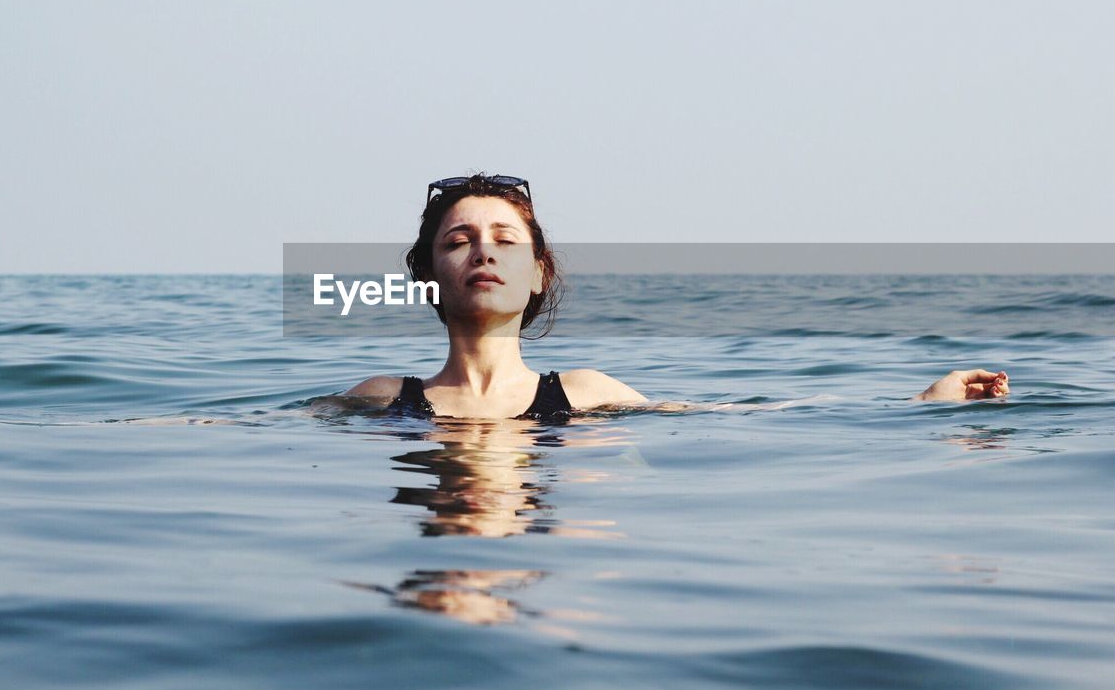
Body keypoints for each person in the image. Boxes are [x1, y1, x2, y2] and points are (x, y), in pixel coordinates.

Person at [344, 174, 1009, 420]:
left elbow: (746, 413)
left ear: (539, 272)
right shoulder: (383, 399)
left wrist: (922, 405)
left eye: (505, 238)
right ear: (428, 275)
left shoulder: (583, 394)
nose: (484, 250)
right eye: (459, 239)